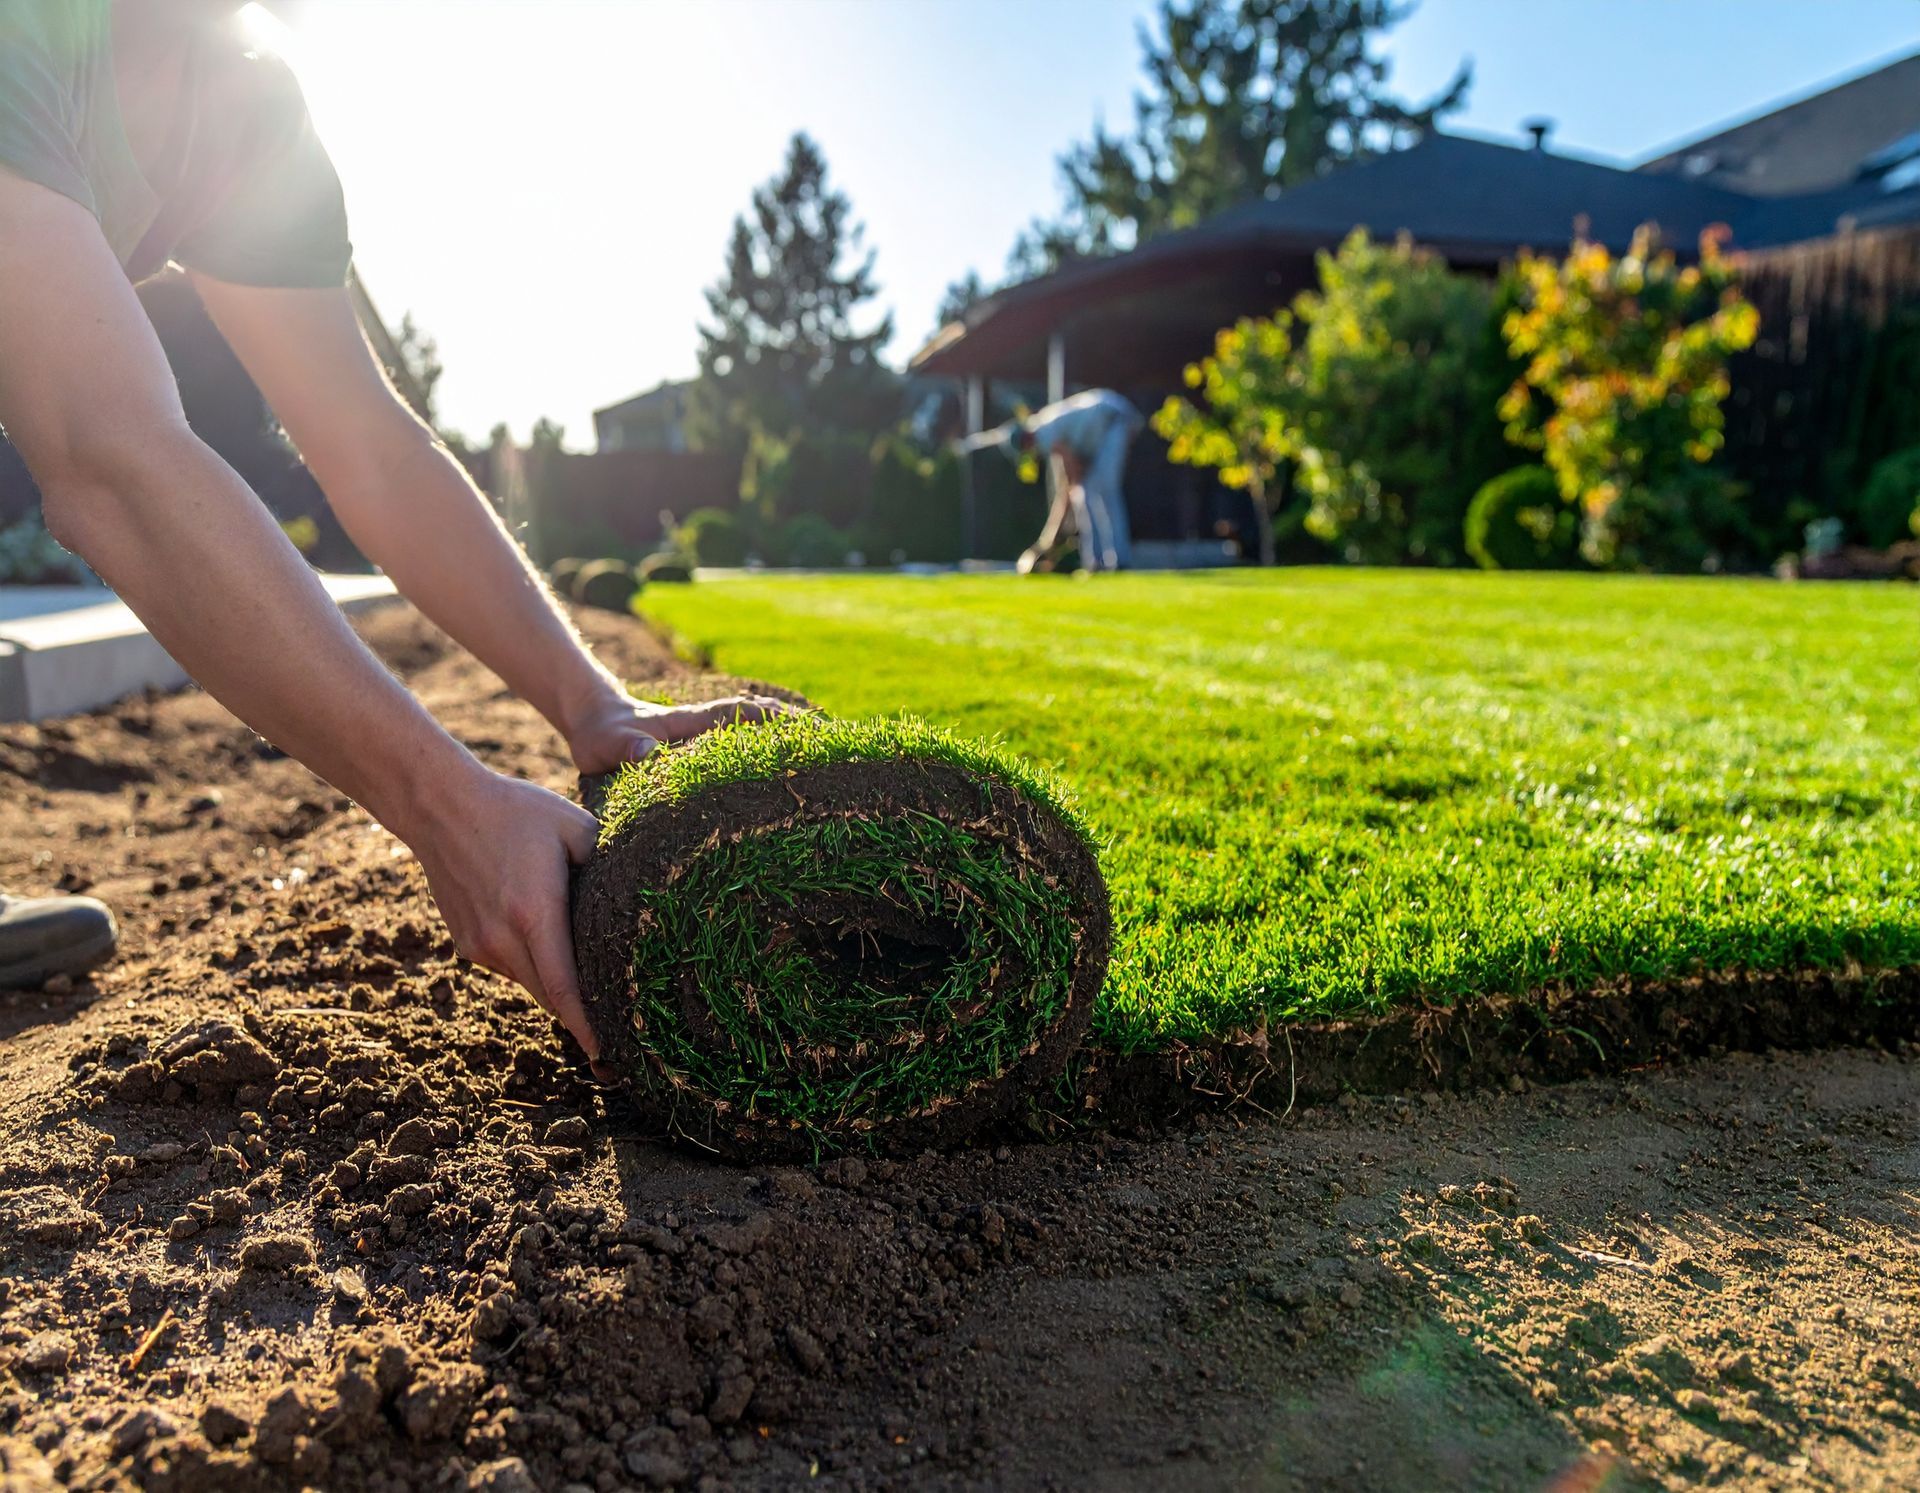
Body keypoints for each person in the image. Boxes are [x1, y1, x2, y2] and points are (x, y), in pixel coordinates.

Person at [0, 1, 784, 1063]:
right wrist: (445, 801)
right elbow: (106, 455)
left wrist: (589, 700)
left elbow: (370, 446)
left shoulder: (245, 105)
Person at [961, 389, 1143, 572]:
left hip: (1113, 418)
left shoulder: (1042, 434)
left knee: (1101, 491)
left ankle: (1118, 561)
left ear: (1025, 443)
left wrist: (1050, 538)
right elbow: (1072, 477)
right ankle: (1095, 562)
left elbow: (1070, 477)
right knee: (1086, 494)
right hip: (1107, 422)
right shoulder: (1044, 426)